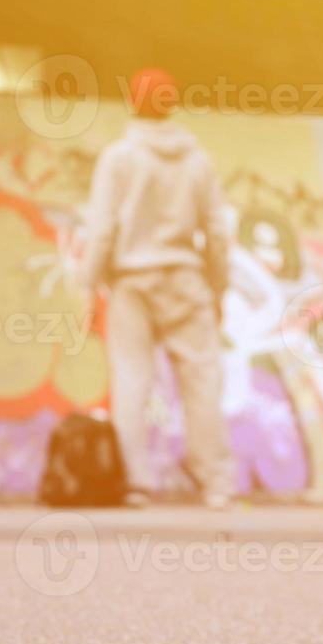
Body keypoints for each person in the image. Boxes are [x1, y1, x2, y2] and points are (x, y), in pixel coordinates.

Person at [82, 68, 236, 509]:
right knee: (202, 381)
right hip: (187, 280)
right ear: (173, 104)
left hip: (131, 283)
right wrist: (219, 288)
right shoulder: (198, 160)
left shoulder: (119, 158)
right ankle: (217, 484)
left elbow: (102, 230)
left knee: (131, 379)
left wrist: (87, 285)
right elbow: (217, 232)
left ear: (132, 103)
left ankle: (137, 483)